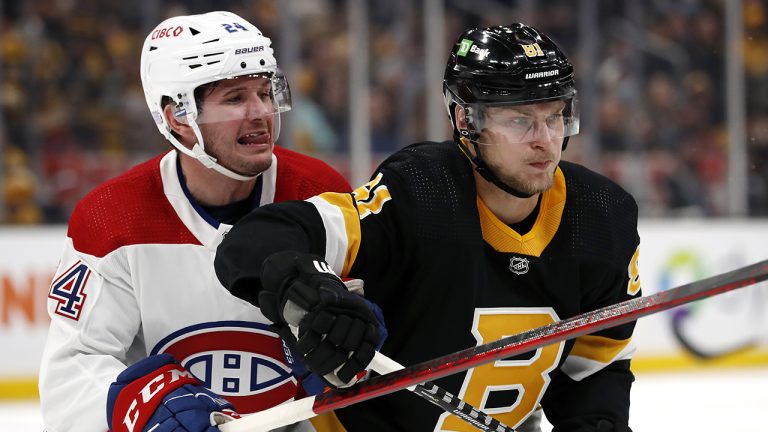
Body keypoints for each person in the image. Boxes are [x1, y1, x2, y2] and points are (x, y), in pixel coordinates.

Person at [215, 23, 642, 432]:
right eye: (519, 120)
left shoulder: (602, 216)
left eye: (554, 117)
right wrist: (312, 291)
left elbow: (596, 367)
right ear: (464, 120)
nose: (544, 140)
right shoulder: (421, 192)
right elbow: (259, 239)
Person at [38, 11, 352, 432]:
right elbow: (71, 373)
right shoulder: (112, 217)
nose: (260, 112)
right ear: (177, 116)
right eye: (236, 98)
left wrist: (353, 345)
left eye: (264, 92)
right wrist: (141, 409)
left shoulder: (320, 193)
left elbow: (370, 327)